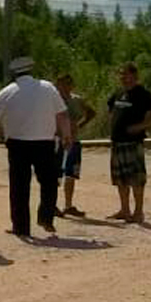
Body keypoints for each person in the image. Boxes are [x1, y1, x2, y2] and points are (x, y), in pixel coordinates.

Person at [0, 57, 74, 238]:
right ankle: (46, 217)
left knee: (19, 186)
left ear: (15, 74)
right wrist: (66, 135)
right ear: (31, 70)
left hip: (17, 145)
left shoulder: (7, 92)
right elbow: (62, 114)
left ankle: (21, 227)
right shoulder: (48, 88)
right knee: (49, 182)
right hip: (44, 143)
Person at [107, 62, 151, 223]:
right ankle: (124, 210)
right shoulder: (118, 93)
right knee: (120, 179)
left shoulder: (142, 94)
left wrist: (143, 126)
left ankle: (138, 212)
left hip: (133, 143)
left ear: (135, 76)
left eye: (126, 74)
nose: (123, 78)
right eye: (121, 74)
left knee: (136, 178)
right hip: (117, 142)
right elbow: (111, 109)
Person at [55, 73, 96, 219]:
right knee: (55, 173)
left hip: (74, 141)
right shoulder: (52, 100)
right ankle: (52, 204)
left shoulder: (76, 100)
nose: (65, 86)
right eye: (62, 83)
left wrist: (80, 125)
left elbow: (91, 112)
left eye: (68, 83)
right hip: (57, 141)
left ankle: (68, 205)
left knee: (71, 173)